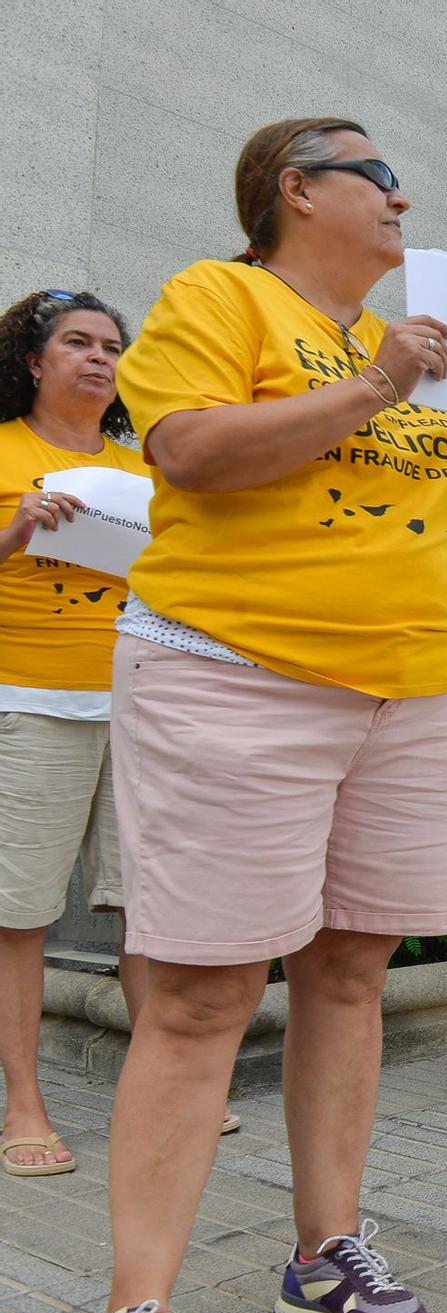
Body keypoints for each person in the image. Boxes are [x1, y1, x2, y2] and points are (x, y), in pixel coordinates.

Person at [103, 117, 447, 1313]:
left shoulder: (412, 359)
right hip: (240, 674)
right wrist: (380, 381)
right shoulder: (222, 297)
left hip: (411, 697)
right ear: (295, 189)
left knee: (349, 977)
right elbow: (185, 453)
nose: (402, 200)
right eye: (378, 178)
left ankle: (325, 1253)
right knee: (198, 997)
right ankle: (138, 1305)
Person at [0, 289, 151, 1181]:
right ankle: (24, 1101)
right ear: (33, 359)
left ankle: (162, 1088)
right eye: (76, 342)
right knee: (20, 916)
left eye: (110, 344)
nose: (99, 356)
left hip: (138, 709)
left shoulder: (145, 468)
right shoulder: (6, 449)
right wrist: (17, 529)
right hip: (29, 704)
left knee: (150, 912)